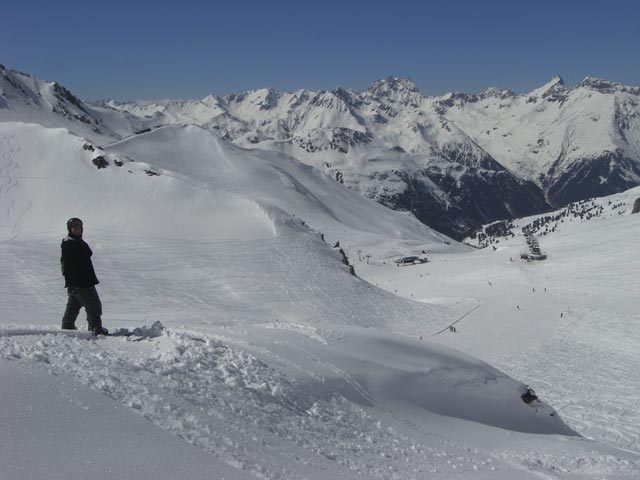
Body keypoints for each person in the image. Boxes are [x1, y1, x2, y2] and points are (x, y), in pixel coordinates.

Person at [60, 218, 108, 335]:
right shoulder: (70, 243)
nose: (77, 229)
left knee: (74, 305)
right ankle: (95, 329)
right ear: (69, 229)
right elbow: (66, 264)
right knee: (94, 305)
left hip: (79, 282)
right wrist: (71, 282)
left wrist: (71, 284)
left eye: (79, 227)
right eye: (74, 227)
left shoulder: (75, 241)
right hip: (81, 282)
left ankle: (67, 328)